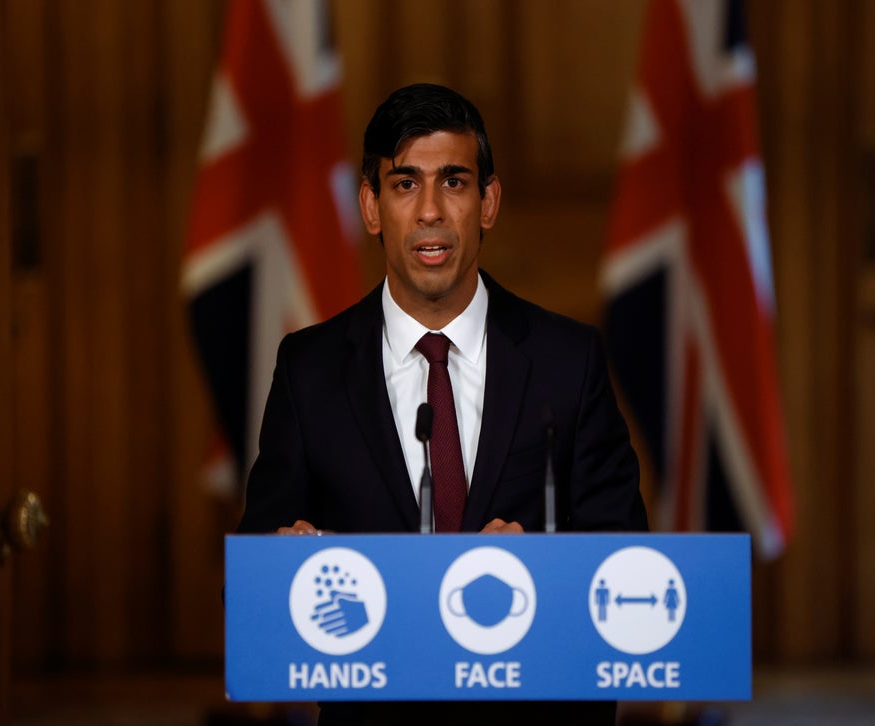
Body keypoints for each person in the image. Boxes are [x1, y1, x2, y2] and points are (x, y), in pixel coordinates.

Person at [237, 82, 648, 726]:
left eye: (453, 182)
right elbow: (252, 581)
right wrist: (283, 565)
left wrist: (544, 577)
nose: (430, 210)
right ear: (370, 206)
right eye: (405, 184)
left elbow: (627, 564)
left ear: (488, 202)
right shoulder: (309, 370)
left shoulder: (568, 361)